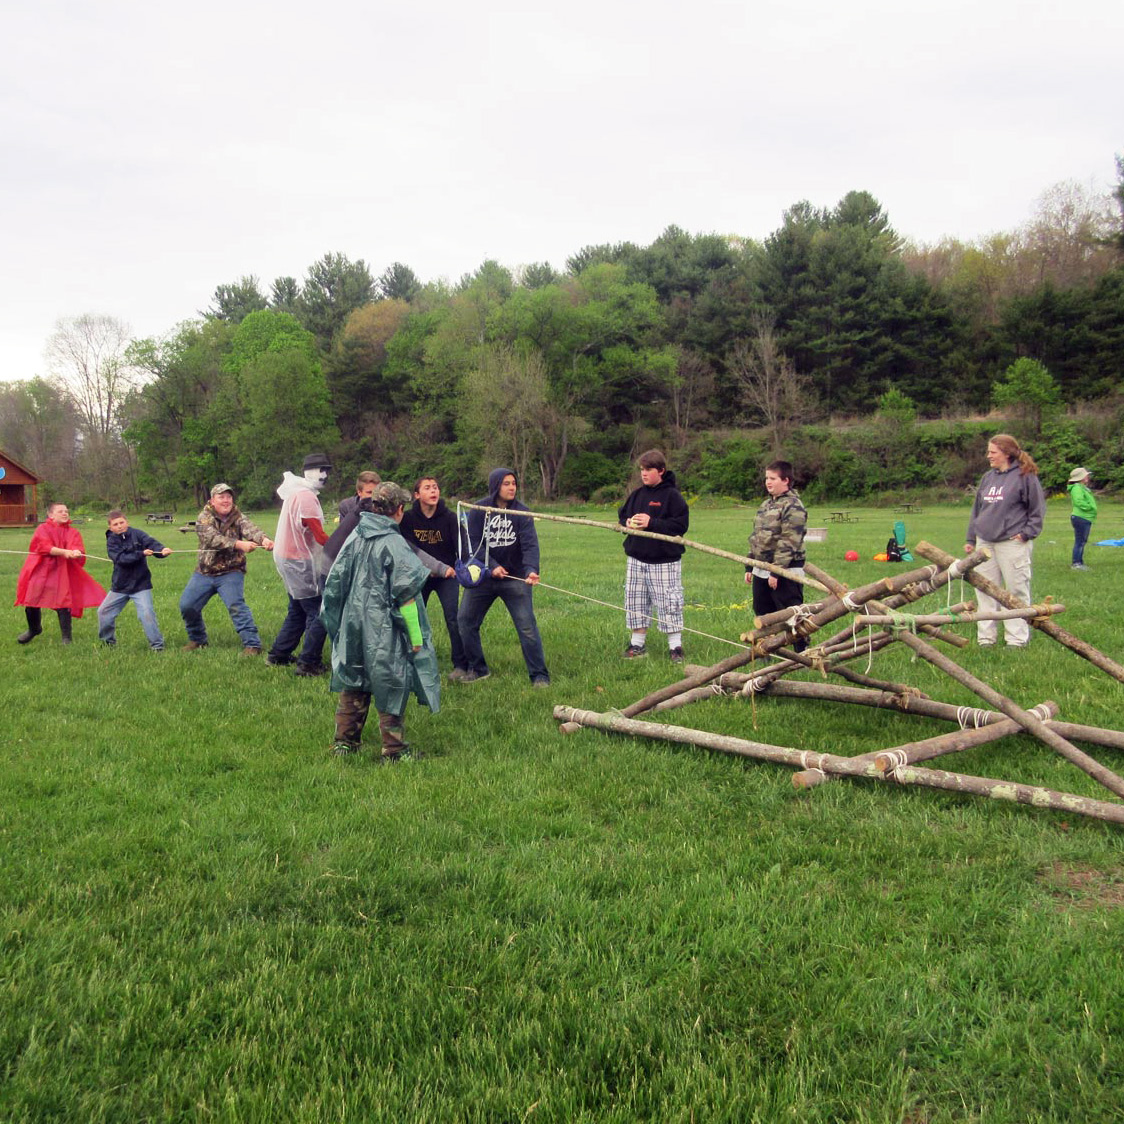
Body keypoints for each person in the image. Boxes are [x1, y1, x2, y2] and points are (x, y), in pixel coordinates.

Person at [320, 482, 440, 762]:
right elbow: (407, 595)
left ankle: (344, 742)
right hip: (384, 629)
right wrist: (416, 639)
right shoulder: (394, 543)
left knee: (354, 678)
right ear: (399, 509)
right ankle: (394, 749)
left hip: (353, 625)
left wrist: (337, 624)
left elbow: (334, 584)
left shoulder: (354, 536)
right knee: (392, 681)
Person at [457, 467, 550, 686]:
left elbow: (530, 545)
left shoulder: (522, 512)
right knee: (465, 621)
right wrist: (492, 566)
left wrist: (531, 570)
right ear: (495, 485)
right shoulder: (479, 509)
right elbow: (474, 544)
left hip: (515, 579)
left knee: (527, 627)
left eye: (514, 483)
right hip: (484, 578)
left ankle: (539, 675)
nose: (512, 487)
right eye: (506, 483)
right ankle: (478, 669)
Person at [964, 433, 1046, 648]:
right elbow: (977, 510)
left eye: (992, 452)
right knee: (984, 589)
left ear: (1007, 453)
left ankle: (1016, 640)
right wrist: (971, 537)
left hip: (1012, 542)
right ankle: (986, 639)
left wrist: (1027, 533)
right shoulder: (988, 477)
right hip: (985, 543)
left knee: (1015, 590)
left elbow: (1037, 509)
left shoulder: (1025, 475)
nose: (988, 456)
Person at [179, 483, 274, 654]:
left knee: (236, 605)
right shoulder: (204, 517)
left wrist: (264, 540)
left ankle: (252, 645)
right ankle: (198, 640)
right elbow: (212, 539)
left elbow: (251, 529)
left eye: (229, 497)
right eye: (221, 497)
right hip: (205, 572)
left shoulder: (238, 516)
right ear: (212, 500)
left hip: (231, 571)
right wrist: (238, 544)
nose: (226, 500)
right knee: (187, 605)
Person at [617, 449, 690, 662]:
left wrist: (652, 523)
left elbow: (680, 525)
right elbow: (622, 516)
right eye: (642, 470)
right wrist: (628, 524)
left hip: (664, 561)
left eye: (648, 470)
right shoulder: (637, 494)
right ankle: (636, 645)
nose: (644, 474)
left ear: (661, 470)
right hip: (636, 559)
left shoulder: (672, 496)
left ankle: (675, 647)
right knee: (635, 601)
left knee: (669, 602)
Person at [267, 452, 333, 676]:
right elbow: (319, 535)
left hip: (287, 558)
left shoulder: (297, 492)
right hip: (298, 562)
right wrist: (342, 544)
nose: (324, 475)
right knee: (319, 612)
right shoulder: (305, 497)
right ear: (308, 472)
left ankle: (278, 654)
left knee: (297, 609)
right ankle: (308, 663)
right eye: (320, 470)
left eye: (327, 470)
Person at [400, 476, 469, 681]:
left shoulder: (449, 518)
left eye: (436, 487)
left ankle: (461, 664)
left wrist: (460, 568)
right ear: (417, 495)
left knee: (453, 618)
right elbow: (406, 549)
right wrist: (423, 569)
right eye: (428, 488)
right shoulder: (408, 519)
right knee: (414, 618)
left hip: (447, 575)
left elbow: (463, 547)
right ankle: (412, 661)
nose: (433, 491)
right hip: (418, 575)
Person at [15, 501, 106, 645]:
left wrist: (77, 552)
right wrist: (65, 552)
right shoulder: (42, 529)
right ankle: (34, 629)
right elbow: (44, 547)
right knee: (32, 600)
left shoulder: (73, 532)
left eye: (66, 511)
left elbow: (77, 548)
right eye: (60, 511)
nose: (65, 513)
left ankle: (66, 637)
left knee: (63, 601)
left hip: (62, 571)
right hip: (41, 570)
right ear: (50, 515)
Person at [745, 460, 808, 653]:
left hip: (786, 570)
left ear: (785, 480)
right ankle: (769, 649)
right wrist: (749, 565)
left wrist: (777, 571)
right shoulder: (766, 505)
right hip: (762, 568)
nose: (768, 482)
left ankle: (801, 651)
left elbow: (789, 541)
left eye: (773, 478)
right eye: (766, 478)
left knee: (790, 612)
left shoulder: (794, 506)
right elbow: (757, 537)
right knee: (762, 612)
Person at [96, 510, 172, 650]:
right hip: (120, 586)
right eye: (115, 524)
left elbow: (151, 543)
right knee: (103, 612)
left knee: (147, 614)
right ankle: (108, 643)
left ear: (127, 522)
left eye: (121, 522)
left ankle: (157, 646)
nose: (119, 526)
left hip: (141, 585)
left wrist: (162, 550)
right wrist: (141, 553)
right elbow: (120, 559)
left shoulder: (138, 534)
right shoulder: (112, 541)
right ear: (110, 527)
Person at [1067, 467, 1097, 571]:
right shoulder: (1077, 488)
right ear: (1081, 477)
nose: (1088, 476)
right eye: (1086, 475)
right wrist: (1090, 508)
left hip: (1085, 518)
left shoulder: (1081, 487)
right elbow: (1078, 501)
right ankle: (1076, 563)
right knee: (1080, 541)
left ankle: (1079, 562)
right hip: (1081, 517)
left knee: (1082, 541)